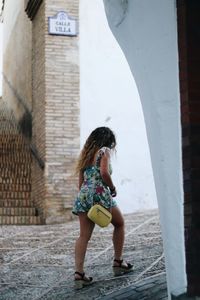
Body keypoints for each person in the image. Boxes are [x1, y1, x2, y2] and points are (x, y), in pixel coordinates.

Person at [72, 127, 133, 289]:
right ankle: (118, 262)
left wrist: (86, 196)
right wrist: (112, 188)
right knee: (119, 223)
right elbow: (104, 173)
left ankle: (79, 274)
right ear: (108, 141)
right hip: (100, 193)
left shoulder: (84, 155)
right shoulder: (103, 151)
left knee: (83, 236)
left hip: (83, 195)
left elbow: (80, 183)